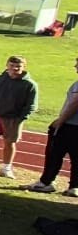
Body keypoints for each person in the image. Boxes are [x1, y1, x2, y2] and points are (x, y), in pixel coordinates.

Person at [23, 57, 78, 195]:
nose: (75, 66)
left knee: (54, 153)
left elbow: (75, 103)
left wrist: (61, 120)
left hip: (70, 125)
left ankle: (46, 182)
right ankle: (74, 187)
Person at [0, 56, 38, 179]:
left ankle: (6, 167)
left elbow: (31, 105)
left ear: (24, 67)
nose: (14, 69)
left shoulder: (29, 85)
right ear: (7, 65)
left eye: (18, 66)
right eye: (11, 66)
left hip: (13, 119)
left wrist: (20, 119)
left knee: (9, 143)